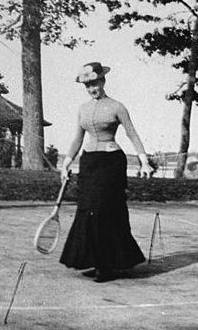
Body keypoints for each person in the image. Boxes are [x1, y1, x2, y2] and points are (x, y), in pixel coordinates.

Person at [59, 62, 154, 282]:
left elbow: (132, 134)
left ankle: (107, 265)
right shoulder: (83, 108)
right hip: (89, 163)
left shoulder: (117, 106)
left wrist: (144, 161)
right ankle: (97, 261)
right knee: (88, 210)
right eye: (88, 85)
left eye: (95, 83)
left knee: (104, 211)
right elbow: (77, 138)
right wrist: (66, 162)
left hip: (111, 163)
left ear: (103, 81)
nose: (92, 88)